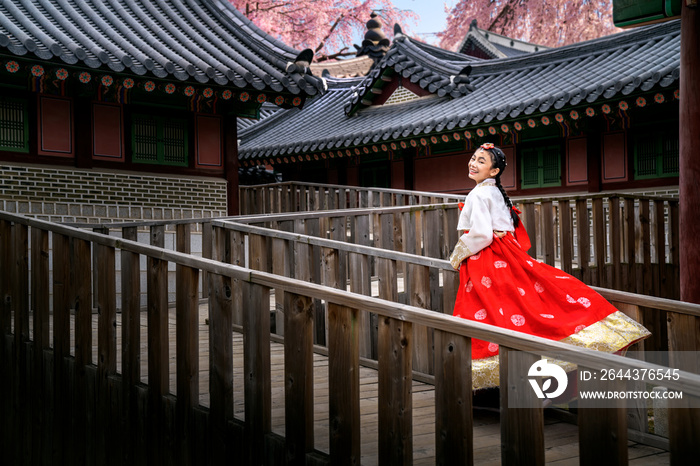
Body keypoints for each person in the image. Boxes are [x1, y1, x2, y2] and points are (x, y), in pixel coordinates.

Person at [449, 142, 650, 390]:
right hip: (508, 254)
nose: (473, 163)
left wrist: (457, 255)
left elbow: (481, 234)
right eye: (473, 158)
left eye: (481, 161)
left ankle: (501, 374)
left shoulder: (478, 194)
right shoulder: (494, 192)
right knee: (524, 302)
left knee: (489, 309)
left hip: (488, 258)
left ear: (493, 172)